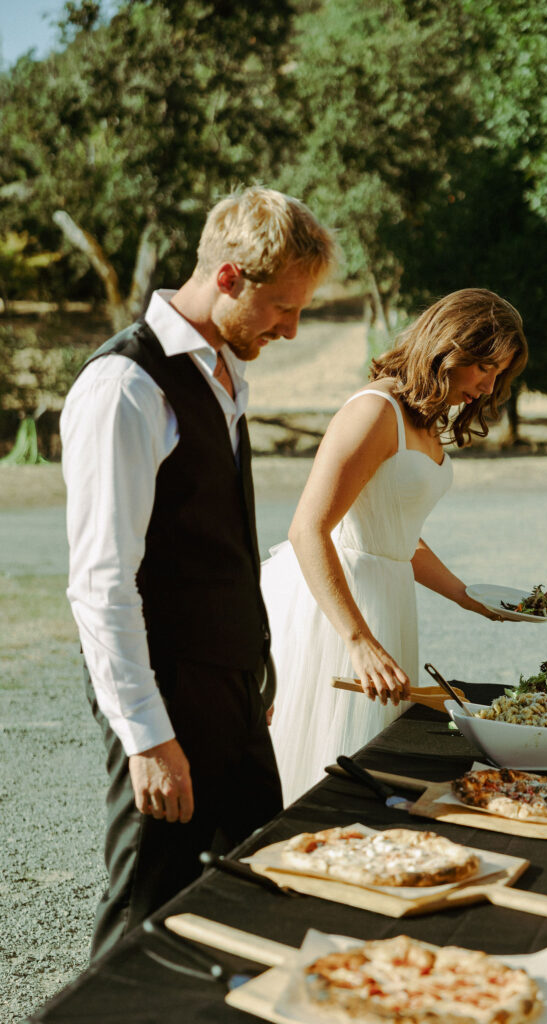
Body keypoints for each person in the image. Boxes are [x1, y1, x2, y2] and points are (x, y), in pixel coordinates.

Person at [60, 185, 336, 960]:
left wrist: (256, 676)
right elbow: (100, 584)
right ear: (226, 278)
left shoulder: (220, 371)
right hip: (168, 702)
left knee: (253, 899)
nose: (292, 328)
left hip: (232, 697)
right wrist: (148, 738)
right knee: (143, 925)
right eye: (283, 307)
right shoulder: (124, 388)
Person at [262, 288, 528, 804]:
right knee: (326, 771)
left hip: (388, 603)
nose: (490, 385)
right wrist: (357, 641)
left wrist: (468, 596)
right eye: (485, 369)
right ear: (451, 348)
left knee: (370, 760)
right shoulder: (374, 411)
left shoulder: (426, 418)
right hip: (336, 611)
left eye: (500, 375)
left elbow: (396, 534)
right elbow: (307, 530)